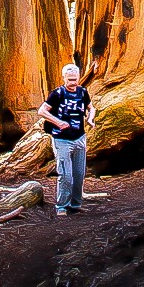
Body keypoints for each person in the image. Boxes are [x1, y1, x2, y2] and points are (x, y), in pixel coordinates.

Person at [37, 63, 94, 216]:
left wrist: (91, 118)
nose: (72, 83)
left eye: (75, 79)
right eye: (69, 80)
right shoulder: (57, 94)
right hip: (62, 140)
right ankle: (62, 206)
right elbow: (42, 111)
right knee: (65, 175)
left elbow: (91, 107)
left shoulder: (82, 92)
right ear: (63, 78)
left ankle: (75, 204)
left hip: (80, 138)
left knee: (79, 173)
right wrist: (58, 122)